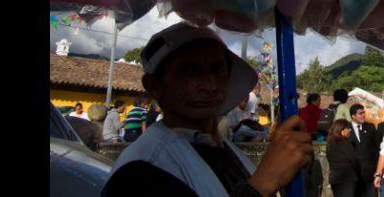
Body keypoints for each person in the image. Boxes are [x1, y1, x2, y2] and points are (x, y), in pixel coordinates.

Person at [101, 22, 313, 197]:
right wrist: (262, 184)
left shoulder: (225, 150)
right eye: (189, 71)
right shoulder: (140, 170)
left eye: (217, 69)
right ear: (154, 86)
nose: (209, 85)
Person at [350, 103, 379, 197]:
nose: (363, 115)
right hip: (353, 174)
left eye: (363, 112)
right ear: (353, 116)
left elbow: (376, 148)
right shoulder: (346, 129)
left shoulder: (370, 127)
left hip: (369, 173)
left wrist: (377, 170)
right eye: (360, 113)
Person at [327, 119, 360, 197]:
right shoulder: (346, 143)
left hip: (335, 179)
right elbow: (354, 160)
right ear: (341, 130)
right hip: (347, 179)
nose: (350, 130)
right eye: (348, 128)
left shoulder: (330, 143)